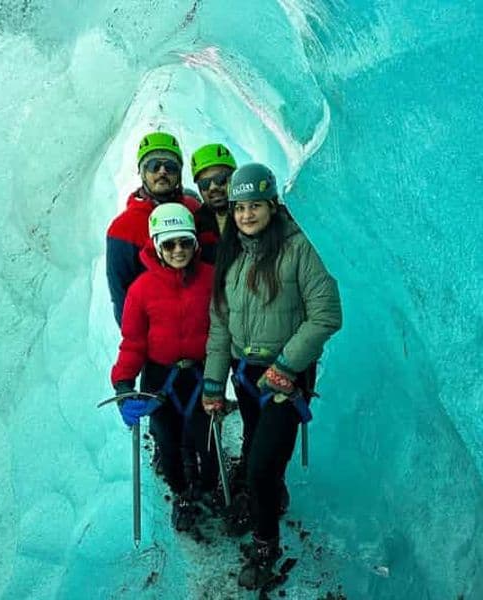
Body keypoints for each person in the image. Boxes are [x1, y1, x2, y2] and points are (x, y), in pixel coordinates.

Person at [201, 163, 342, 589]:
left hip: (286, 380)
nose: (246, 215)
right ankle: (268, 500)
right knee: (254, 446)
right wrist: (213, 383)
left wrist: (286, 366)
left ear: (272, 204)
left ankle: (265, 546)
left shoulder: (299, 248)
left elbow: (326, 314)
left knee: (260, 467)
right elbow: (220, 325)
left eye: (255, 206)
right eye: (240, 207)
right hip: (246, 376)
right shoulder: (232, 254)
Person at [111, 202, 218, 532]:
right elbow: (133, 342)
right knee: (167, 441)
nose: (178, 250)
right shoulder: (141, 290)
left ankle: (210, 487)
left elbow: (223, 327)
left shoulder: (211, 280)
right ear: (156, 245)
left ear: (195, 243)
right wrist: (124, 384)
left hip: (200, 374)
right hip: (161, 378)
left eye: (185, 242)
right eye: (169, 244)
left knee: (207, 439)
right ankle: (182, 492)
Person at [106, 131, 218, 327]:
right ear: (141, 172)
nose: (162, 172)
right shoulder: (123, 228)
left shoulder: (195, 211)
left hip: (204, 338)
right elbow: (121, 296)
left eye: (171, 167)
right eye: (153, 166)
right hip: (157, 345)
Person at [189, 142, 237, 263]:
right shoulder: (197, 225)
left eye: (220, 179)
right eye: (204, 183)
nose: (213, 187)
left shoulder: (254, 215)